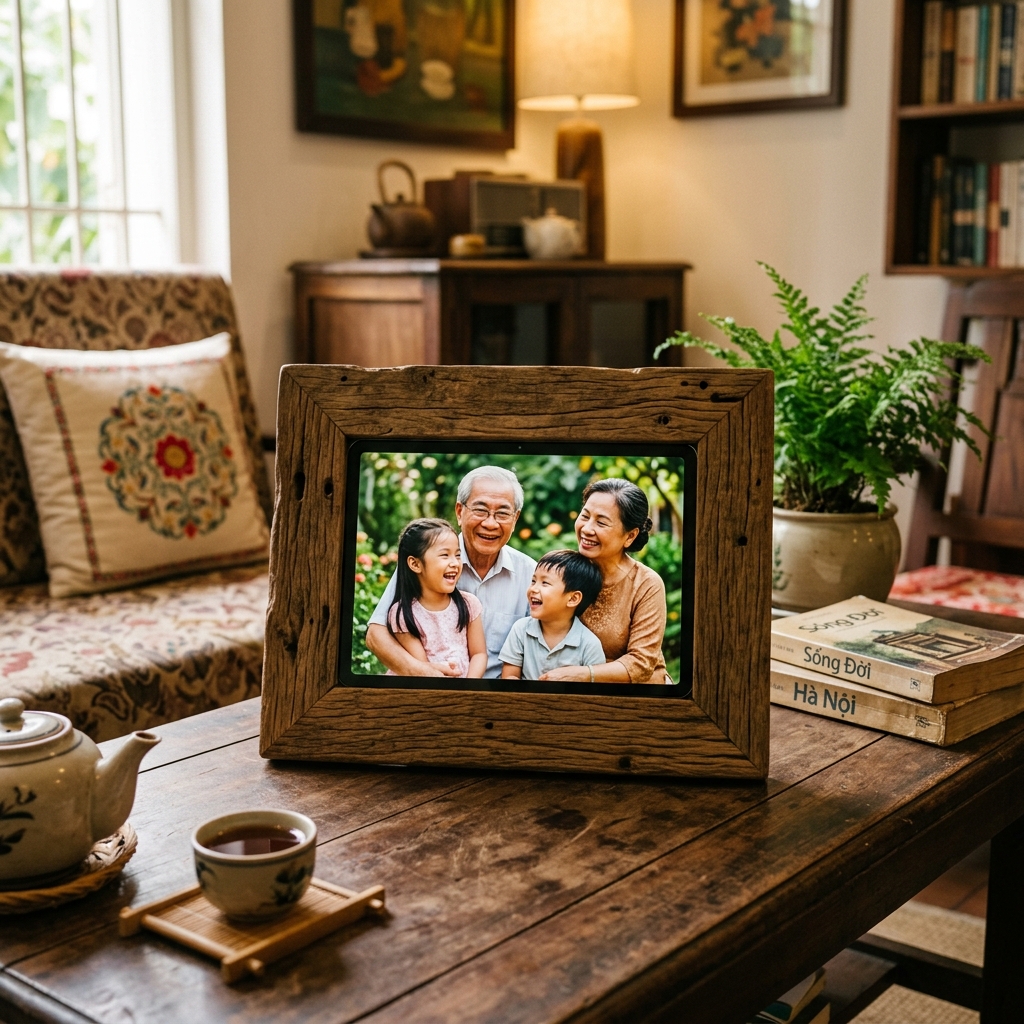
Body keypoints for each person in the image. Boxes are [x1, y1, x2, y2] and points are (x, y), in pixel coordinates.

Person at [365, 466, 537, 677]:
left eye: (502, 513)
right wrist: (425, 675)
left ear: (515, 519)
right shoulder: (426, 560)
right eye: (480, 510)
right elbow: (376, 634)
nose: (490, 523)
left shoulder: (531, 573)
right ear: (459, 512)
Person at [540, 478, 669, 684]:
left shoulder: (646, 584)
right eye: (585, 516)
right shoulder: (563, 570)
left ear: (630, 536)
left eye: (601, 522)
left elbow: (640, 664)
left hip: (638, 697)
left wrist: (583, 674)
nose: (587, 528)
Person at [384, 518, 487, 678]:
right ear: (415, 564)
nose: (455, 563)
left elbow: (479, 654)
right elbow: (422, 668)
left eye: (458, 555)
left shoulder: (468, 604)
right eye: (445, 555)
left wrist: (468, 686)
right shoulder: (403, 613)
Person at [499, 549, 605, 681]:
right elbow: (509, 675)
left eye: (545, 583)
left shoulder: (589, 644)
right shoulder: (521, 629)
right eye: (533, 581)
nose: (533, 589)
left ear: (573, 599)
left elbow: (594, 693)